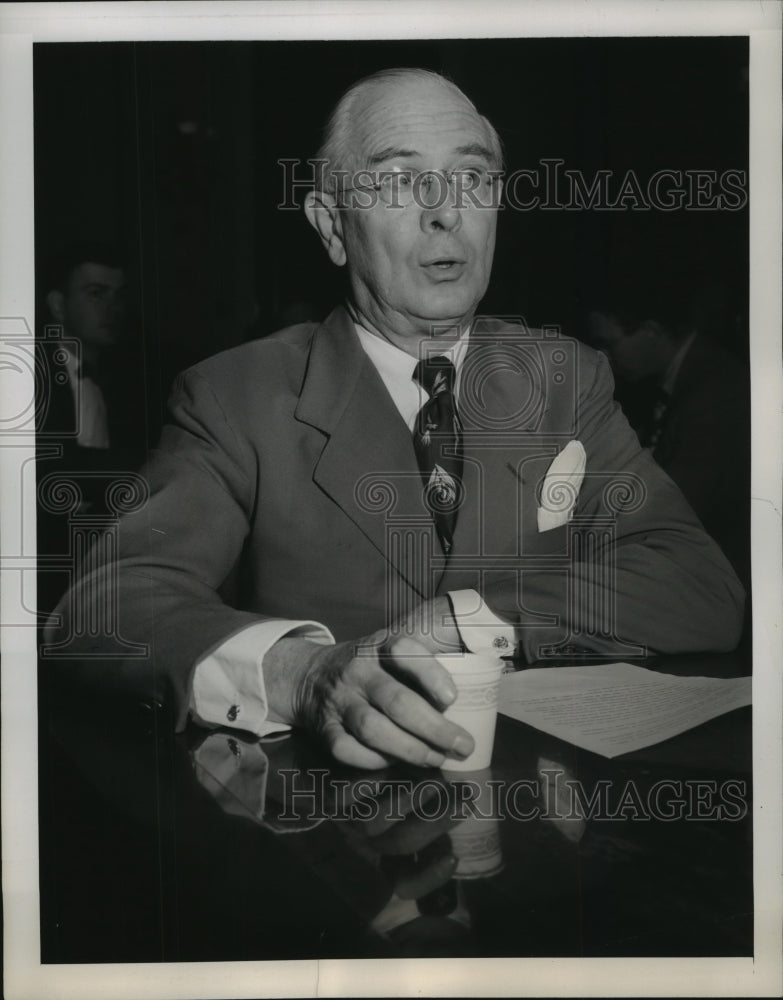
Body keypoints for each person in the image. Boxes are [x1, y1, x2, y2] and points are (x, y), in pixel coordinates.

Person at [47, 69, 745, 771]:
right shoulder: (236, 397)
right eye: (399, 181)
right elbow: (101, 612)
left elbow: (700, 586)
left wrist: (473, 620)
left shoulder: (564, 378)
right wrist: (302, 675)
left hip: (526, 804)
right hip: (329, 816)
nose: (445, 213)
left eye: (470, 178)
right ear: (331, 226)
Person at [587, 293, 750, 585]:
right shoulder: (684, 375)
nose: (604, 357)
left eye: (609, 344)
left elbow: (675, 508)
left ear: (651, 331)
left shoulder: (715, 396)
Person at [36, 243, 148, 612]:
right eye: (96, 294)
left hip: (96, 567)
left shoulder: (125, 379)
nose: (114, 309)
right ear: (58, 305)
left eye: (119, 295)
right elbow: (46, 470)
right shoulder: (27, 373)